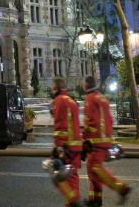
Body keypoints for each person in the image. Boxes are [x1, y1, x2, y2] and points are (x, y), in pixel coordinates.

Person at [81, 75, 131, 206]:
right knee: (93, 170)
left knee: (95, 169)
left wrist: (84, 138)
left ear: (85, 86)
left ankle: (121, 188)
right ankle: (95, 200)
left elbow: (90, 121)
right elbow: (109, 120)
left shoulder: (89, 99)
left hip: (96, 141)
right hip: (105, 140)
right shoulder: (103, 98)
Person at [50, 77, 83, 207]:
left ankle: (72, 200)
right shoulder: (71, 100)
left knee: (56, 174)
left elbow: (60, 125)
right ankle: (71, 202)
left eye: (53, 88)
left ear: (55, 88)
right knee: (73, 176)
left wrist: (59, 145)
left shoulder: (58, 100)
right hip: (76, 146)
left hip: (66, 146)